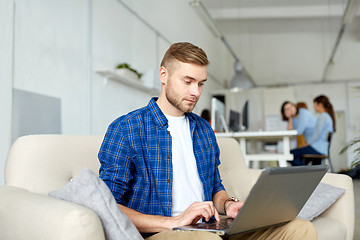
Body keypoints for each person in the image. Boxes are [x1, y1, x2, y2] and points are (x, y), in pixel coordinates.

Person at [98, 42, 316, 239]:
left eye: (201, 83)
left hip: (209, 227)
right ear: (163, 75)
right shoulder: (126, 129)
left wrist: (228, 205)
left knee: (301, 228)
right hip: (164, 231)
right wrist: (173, 222)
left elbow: (215, 188)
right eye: (188, 81)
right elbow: (107, 205)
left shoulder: (203, 129)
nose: (196, 92)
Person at [290, 95, 335, 166]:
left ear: (319, 104)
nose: (313, 106)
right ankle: (309, 172)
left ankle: (306, 172)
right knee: (305, 160)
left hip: (317, 148)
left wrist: (306, 144)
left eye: (314, 104)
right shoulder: (327, 116)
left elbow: (316, 134)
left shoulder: (322, 116)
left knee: (290, 154)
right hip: (321, 148)